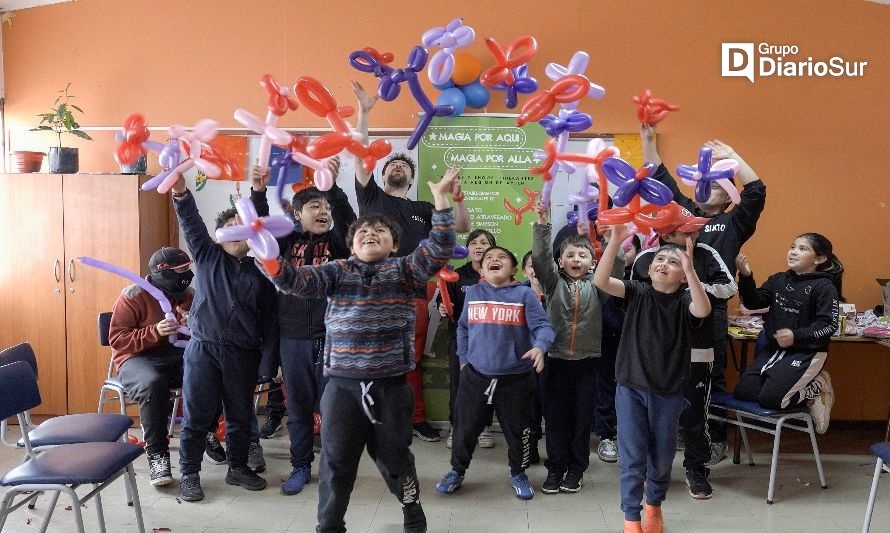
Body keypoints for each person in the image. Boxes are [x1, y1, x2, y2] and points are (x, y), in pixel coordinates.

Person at [257, 171, 459, 533]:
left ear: (394, 245)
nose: (369, 233)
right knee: (336, 463)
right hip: (342, 387)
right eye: (363, 231)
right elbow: (295, 281)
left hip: (391, 388)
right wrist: (270, 260)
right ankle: (330, 526)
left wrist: (442, 200)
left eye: (380, 231)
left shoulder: (405, 270)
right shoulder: (336, 271)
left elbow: (439, 248)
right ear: (351, 245)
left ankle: (413, 513)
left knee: (396, 460)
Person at [352, 80, 471, 442]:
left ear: (412, 177)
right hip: (372, 294)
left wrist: (456, 197)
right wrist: (365, 111)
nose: (397, 168)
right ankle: (368, 421)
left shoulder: (422, 207)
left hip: (414, 295)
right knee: (370, 361)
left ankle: (413, 419)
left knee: (411, 361)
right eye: (392, 166)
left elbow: (461, 226)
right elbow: (359, 153)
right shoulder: (371, 196)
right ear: (383, 175)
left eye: (404, 165)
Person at [644, 124, 766, 465]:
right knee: (673, 369)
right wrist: (648, 139)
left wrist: (733, 157)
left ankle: (714, 437)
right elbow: (659, 175)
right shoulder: (686, 214)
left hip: (712, 309)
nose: (704, 187)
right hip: (674, 310)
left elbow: (756, 190)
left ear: (728, 195)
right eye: (701, 182)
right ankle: (683, 430)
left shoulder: (734, 221)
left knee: (710, 374)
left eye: (714, 184)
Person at [595, 224, 712, 533]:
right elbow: (601, 280)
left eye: (674, 263)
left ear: (683, 273)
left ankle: (654, 505)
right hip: (630, 388)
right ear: (649, 267)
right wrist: (615, 241)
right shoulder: (636, 291)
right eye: (661, 259)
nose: (664, 264)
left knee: (661, 459)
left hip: (669, 392)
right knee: (632, 458)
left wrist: (691, 271)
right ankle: (631, 517)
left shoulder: (686, 299)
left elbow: (703, 308)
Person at [170, 170, 279, 502]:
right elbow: (190, 220)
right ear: (220, 233)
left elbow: (270, 324)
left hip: (242, 354)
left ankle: (237, 468)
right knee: (198, 417)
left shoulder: (261, 273)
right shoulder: (207, 254)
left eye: (242, 225)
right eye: (230, 223)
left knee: (239, 416)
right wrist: (180, 191)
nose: (237, 228)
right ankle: (189, 473)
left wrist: (268, 362)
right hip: (204, 349)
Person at [253, 158, 356, 496]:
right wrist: (258, 191)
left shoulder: (341, 244)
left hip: (334, 338)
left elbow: (348, 221)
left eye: (326, 206)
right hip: (293, 338)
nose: (323, 210)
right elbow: (258, 228)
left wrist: (332, 190)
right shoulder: (285, 243)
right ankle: (300, 466)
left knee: (334, 410)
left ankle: (334, 468)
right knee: (297, 408)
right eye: (315, 205)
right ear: (298, 214)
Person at [630, 207, 737, 500]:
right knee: (648, 417)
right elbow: (636, 298)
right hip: (656, 354)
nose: (694, 234)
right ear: (665, 234)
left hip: (697, 349)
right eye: (685, 230)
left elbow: (729, 287)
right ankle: (647, 471)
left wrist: (690, 280)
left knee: (694, 415)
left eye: (695, 228)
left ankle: (696, 469)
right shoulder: (646, 258)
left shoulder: (706, 254)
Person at [436, 246, 554, 500]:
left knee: (519, 431)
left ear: (513, 269)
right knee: (464, 428)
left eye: (502, 257)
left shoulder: (524, 294)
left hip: (516, 379)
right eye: (489, 258)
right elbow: (463, 328)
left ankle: (518, 473)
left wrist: (540, 347)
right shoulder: (473, 293)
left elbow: (543, 326)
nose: (494, 260)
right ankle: (457, 471)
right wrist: (465, 360)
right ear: (481, 268)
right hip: (475, 376)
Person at [532, 203, 623, 495]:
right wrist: (542, 224)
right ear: (559, 262)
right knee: (556, 419)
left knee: (583, 419)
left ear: (592, 262)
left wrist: (612, 240)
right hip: (555, 360)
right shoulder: (552, 284)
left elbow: (616, 267)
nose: (576, 259)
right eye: (569, 255)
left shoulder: (598, 287)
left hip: (587, 363)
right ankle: (556, 467)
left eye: (583, 255)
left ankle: (576, 469)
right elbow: (540, 257)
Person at [733, 233, 842, 434]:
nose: (793, 252)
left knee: (773, 399)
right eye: (793, 246)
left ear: (819, 259)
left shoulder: (824, 287)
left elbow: (829, 326)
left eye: (802, 249)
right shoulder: (778, 279)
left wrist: (796, 335)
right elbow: (754, 303)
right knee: (743, 392)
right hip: (775, 351)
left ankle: (816, 388)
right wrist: (746, 276)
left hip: (806, 354)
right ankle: (805, 386)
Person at [108, 247, 194, 487]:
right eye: (180, 270)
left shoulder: (188, 295)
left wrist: (192, 322)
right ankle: (157, 454)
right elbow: (118, 340)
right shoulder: (132, 295)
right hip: (135, 358)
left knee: (208, 371)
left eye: (187, 269)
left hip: (175, 355)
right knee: (152, 383)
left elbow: (203, 333)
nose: (186, 274)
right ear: (161, 272)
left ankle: (205, 433)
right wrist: (154, 331)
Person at [437, 229, 497, 450]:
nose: (479, 246)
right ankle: (458, 426)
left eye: (484, 242)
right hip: (461, 340)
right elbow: (445, 304)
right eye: (473, 243)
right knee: (460, 385)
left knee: (486, 385)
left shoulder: (499, 275)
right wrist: (443, 307)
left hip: (490, 342)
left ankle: (483, 426)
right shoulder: (457, 275)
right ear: (467, 249)